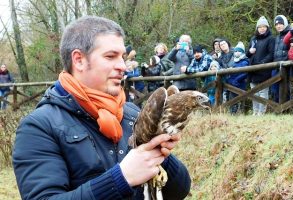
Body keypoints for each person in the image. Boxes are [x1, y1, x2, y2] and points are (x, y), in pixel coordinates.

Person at [12, 16, 191, 200]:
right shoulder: (38, 127)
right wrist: (121, 178)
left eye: (122, 57)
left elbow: (180, 191)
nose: (123, 66)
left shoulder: (132, 113)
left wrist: (158, 151)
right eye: (110, 56)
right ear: (79, 60)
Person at [246, 16, 274, 115]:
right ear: (257, 28)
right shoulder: (253, 39)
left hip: (264, 70)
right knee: (254, 92)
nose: (262, 28)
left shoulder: (270, 38)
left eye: (264, 26)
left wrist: (262, 63)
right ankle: (255, 112)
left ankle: (261, 113)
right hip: (253, 70)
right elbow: (247, 54)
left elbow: (271, 54)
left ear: (267, 27)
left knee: (263, 93)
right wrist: (249, 51)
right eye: (260, 27)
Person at [227, 42, 249, 114]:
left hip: (240, 84)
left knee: (240, 99)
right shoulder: (234, 62)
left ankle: (241, 112)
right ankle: (232, 113)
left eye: (239, 51)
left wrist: (236, 80)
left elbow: (245, 73)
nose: (237, 52)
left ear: (242, 52)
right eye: (235, 51)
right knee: (232, 100)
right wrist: (230, 80)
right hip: (232, 84)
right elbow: (230, 73)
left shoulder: (245, 61)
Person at [272, 15, 290, 103]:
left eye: (280, 24)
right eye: (276, 24)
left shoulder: (290, 34)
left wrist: (285, 62)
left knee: (287, 89)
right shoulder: (277, 38)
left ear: (285, 24)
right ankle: (278, 110)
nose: (278, 26)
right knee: (275, 89)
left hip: (287, 67)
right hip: (276, 66)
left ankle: (286, 111)